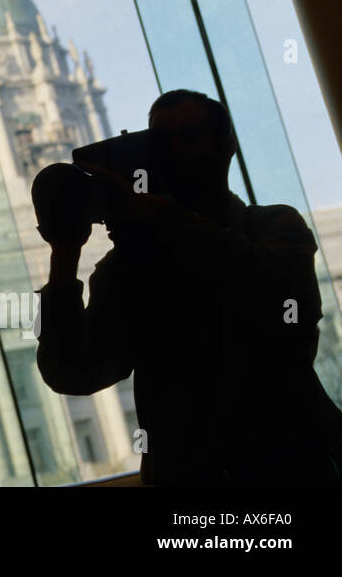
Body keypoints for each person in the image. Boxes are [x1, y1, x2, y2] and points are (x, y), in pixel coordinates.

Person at [35, 88, 342, 485]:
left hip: (289, 468)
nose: (177, 152)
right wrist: (64, 253)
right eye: (163, 143)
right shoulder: (131, 265)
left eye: (190, 137)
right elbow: (74, 372)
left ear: (227, 145)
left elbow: (279, 297)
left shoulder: (273, 225)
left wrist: (157, 219)